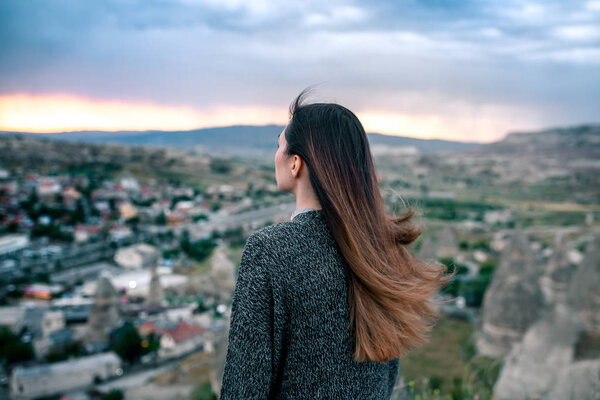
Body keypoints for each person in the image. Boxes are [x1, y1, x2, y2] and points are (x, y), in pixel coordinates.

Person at [219, 88, 456, 399]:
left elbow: (243, 388)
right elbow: (386, 380)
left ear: (295, 163)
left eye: (279, 146)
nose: (275, 155)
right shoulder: (383, 251)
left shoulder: (270, 250)